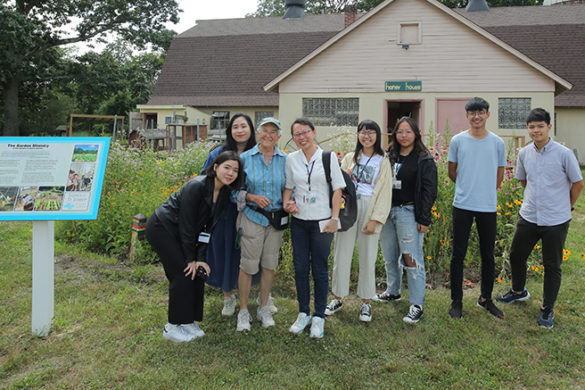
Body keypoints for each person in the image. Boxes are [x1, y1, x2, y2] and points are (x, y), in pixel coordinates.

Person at [496, 108, 583, 329]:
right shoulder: (524, 153)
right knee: (516, 255)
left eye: (540, 126)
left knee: (552, 265)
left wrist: (567, 205)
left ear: (549, 127)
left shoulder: (564, 153)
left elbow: (577, 183)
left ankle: (547, 308)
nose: (536, 130)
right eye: (532, 127)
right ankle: (518, 291)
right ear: (528, 129)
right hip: (530, 215)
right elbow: (524, 181)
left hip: (556, 219)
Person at [146, 151, 244, 342]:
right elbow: (187, 225)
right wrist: (190, 259)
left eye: (235, 170)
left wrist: (200, 259)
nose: (230, 173)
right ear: (215, 167)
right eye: (227, 167)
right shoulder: (196, 185)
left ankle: (188, 320)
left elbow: (209, 227)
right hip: (162, 228)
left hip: (184, 233)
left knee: (199, 272)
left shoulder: (224, 193)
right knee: (183, 272)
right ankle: (172, 327)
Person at [283, 118, 345, 339]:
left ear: (314, 132)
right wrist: (286, 203)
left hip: (322, 222)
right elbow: (289, 187)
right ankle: (303, 312)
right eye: (297, 134)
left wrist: (334, 219)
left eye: (305, 132)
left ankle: (319, 316)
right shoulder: (291, 159)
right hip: (299, 221)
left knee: (319, 269)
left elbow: (338, 189)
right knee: (300, 268)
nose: (302, 137)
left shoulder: (327, 157)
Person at [200, 113, 267, 317]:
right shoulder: (218, 153)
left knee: (251, 254)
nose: (239, 130)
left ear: (251, 129)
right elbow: (205, 180)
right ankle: (228, 297)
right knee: (224, 252)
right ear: (230, 130)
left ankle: (260, 296)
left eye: (244, 126)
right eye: (235, 126)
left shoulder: (259, 153)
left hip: (252, 212)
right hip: (223, 213)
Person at [326, 120, 392, 322]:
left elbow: (385, 192)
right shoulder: (348, 158)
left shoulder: (383, 160)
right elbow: (339, 187)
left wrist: (375, 219)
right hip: (349, 208)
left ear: (377, 136)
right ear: (358, 135)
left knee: (368, 256)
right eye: (363, 132)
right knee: (341, 252)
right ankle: (337, 297)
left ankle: (366, 302)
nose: (367, 136)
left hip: (369, 207)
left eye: (371, 132)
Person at [447, 97, 507, 319]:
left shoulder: (497, 143)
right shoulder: (458, 141)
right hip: (462, 204)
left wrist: (485, 190)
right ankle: (457, 301)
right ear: (467, 116)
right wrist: (467, 187)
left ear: (487, 114)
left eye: (481, 112)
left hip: (487, 206)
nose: (476, 116)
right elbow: (452, 172)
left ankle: (486, 298)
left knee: (487, 255)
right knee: (458, 255)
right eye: (472, 113)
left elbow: (499, 175)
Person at [375, 117, 438, 324]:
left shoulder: (423, 159)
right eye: (400, 132)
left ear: (415, 134)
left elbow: (429, 191)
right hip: (387, 212)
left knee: (412, 258)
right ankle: (393, 291)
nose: (403, 136)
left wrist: (424, 218)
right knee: (389, 256)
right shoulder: (388, 156)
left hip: (408, 212)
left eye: (408, 132)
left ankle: (416, 304)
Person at [233, 117, 287, 331]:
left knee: (269, 265)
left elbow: (291, 188)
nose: (268, 135)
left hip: (275, 221)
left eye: (273, 131)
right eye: (265, 130)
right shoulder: (245, 159)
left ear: (279, 136)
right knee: (248, 265)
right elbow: (233, 192)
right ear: (258, 133)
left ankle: (263, 307)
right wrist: (252, 197)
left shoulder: (285, 160)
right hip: (252, 218)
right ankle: (243, 311)